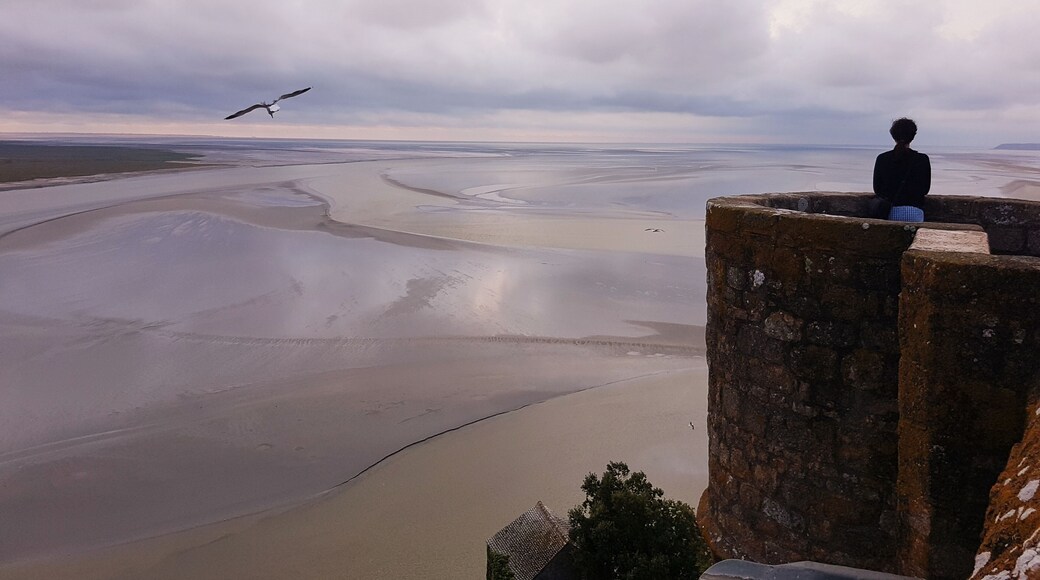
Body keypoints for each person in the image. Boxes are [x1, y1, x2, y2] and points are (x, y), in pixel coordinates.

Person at [873, 118, 930, 221]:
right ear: (913, 136)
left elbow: (877, 189)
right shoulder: (922, 159)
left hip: (888, 212)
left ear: (893, 135)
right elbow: (925, 189)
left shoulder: (882, 158)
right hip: (915, 213)